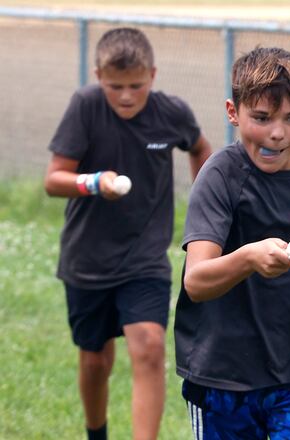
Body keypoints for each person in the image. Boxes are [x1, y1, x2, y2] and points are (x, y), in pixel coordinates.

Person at [43, 27, 212, 440]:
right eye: (114, 86)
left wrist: (207, 209)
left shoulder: (171, 112)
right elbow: (53, 179)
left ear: (152, 76)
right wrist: (93, 182)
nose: (125, 96)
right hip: (87, 261)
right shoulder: (85, 107)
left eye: (136, 86)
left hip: (144, 258)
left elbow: (200, 150)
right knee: (95, 360)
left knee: (150, 347)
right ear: (98, 74)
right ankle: (96, 432)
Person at [174, 47, 290, 439]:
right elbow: (196, 281)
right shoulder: (220, 176)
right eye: (262, 118)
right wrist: (249, 257)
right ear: (233, 113)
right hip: (223, 379)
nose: (277, 133)